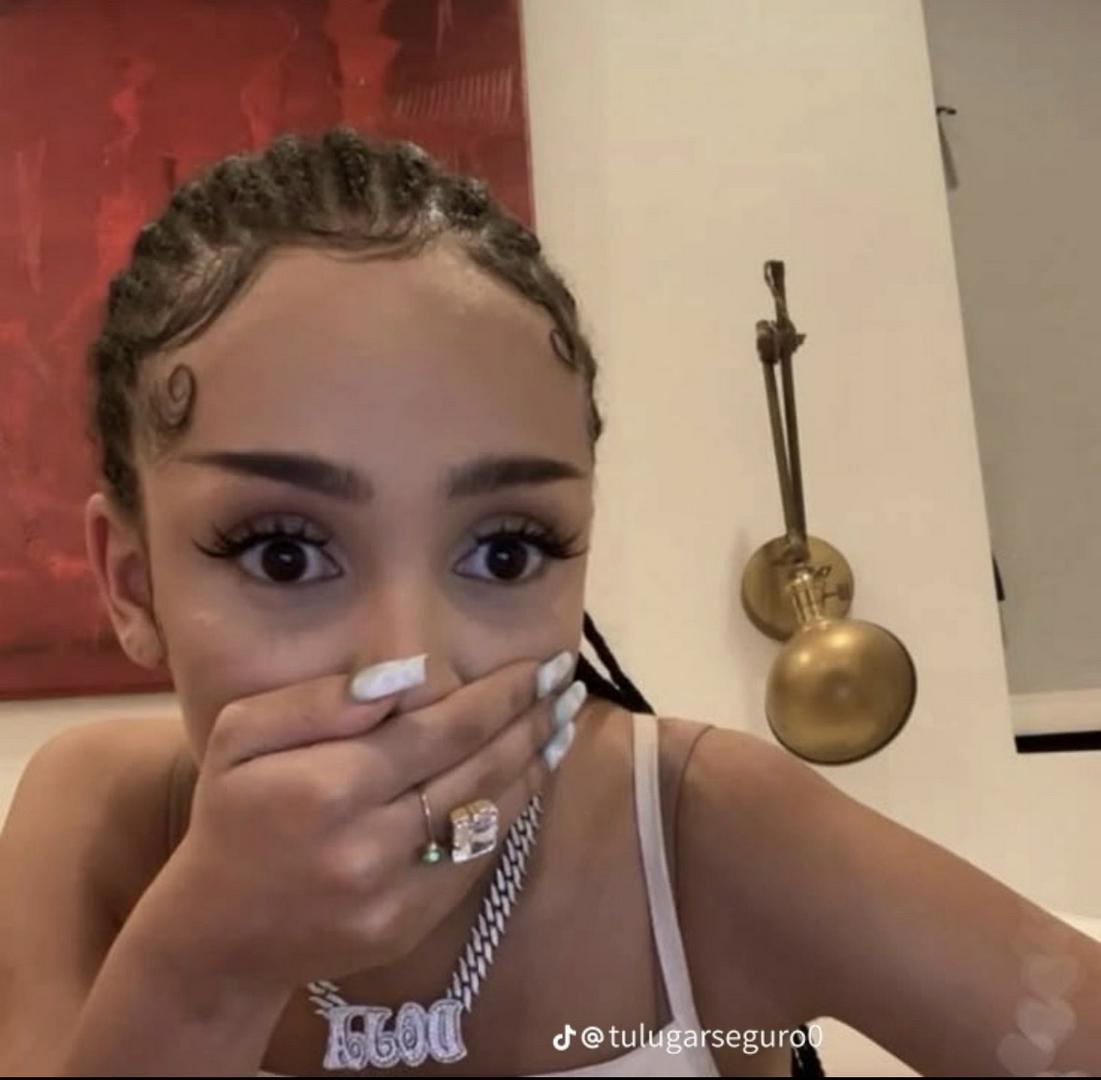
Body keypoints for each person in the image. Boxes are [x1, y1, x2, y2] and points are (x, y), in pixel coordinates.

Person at [0, 126, 1097, 1079]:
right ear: (132, 583)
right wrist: (203, 970)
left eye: (506, 551)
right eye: (283, 555)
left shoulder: (706, 827)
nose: (414, 670)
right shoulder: (99, 822)